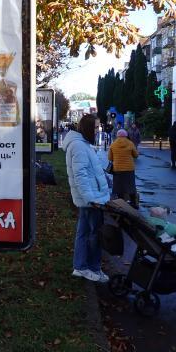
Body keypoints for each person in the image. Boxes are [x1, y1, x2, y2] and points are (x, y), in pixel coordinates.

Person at [62, 114, 111, 283]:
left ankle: (81, 267)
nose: (98, 130)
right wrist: (91, 199)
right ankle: (91, 267)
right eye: (96, 127)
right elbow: (80, 176)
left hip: (91, 198)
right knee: (94, 235)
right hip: (92, 200)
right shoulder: (79, 146)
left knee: (84, 233)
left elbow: (89, 171)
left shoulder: (82, 144)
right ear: (88, 128)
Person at [108, 129, 139, 207]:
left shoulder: (113, 144)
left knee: (119, 187)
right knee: (131, 186)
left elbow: (110, 158)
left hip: (117, 169)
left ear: (117, 135)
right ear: (126, 135)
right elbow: (136, 155)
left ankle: (121, 204)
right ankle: (133, 203)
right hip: (129, 169)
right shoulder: (130, 143)